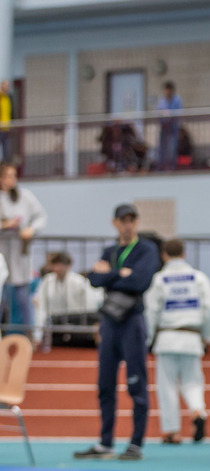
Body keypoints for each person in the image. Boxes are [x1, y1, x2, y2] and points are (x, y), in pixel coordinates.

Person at [74, 204, 161, 461]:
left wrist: (110, 276)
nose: (128, 224)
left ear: (137, 222)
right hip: (110, 321)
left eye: (132, 220)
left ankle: (136, 443)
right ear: (115, 223)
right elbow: (93, 279)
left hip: (132, 321)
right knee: (105, 384)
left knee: (136, 382)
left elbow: (140, 281)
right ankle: (105, 442)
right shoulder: (110, 251)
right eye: (123, 220)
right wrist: (119, 273)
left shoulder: (147, 249)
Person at [144, 239, 210, 444]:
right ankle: (198, 411)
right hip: (192, 336)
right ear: (184, 254)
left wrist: (149, 338)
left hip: (167, 337)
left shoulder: (159, 279)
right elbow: (209, 309)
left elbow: (152, 311)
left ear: (164, 255)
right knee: (193, 381)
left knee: (167, 385)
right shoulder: (198, 278)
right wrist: (207, 336)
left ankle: (172, 431)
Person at [0, 163, 47, 335]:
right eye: (6, 176)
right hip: (1, 252)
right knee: (1, 297)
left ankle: (29, 336)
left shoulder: (24, 196)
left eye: (13, 176)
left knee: (22, 297)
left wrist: (31, 229)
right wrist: (5, 224)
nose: (11, 180)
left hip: (20, 252)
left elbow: (41, 216)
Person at [33, 252, 103, 349]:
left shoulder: (79, 281)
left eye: (61, 265)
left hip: (75, 324)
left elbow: (91, 304)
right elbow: (41, 305)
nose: (58, 268)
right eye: (56, 265)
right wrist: (38, 335)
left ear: (68, 266)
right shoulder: (47, 281)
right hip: (54, 323)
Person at [155, 81, 183, 171]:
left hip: (173, 128)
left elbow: (179, 113)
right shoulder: (161, 101)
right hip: (164, 128)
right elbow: (158, 112)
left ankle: (171, 166)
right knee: (162, 148)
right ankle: (160, 166)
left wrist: (170, 114)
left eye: (168, 90)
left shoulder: (177, 100)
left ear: (172, 91)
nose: (167, 92)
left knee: (172, 147)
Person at [0, 80, 12, 162]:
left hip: (7, 128)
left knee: (6, 149)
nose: (8, 87)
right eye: (6, 85)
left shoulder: (9, 97)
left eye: (9, 86)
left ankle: (5, 164)